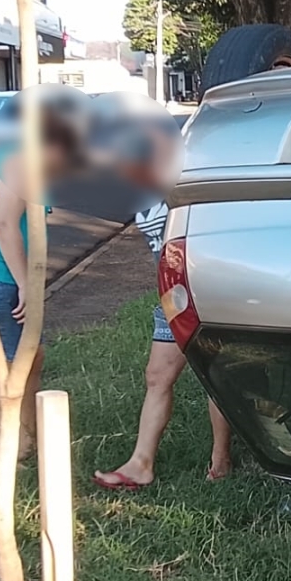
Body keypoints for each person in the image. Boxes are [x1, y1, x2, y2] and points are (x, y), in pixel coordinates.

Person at [0, 115, 77, 468]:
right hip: (2, 279)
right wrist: (24, 284)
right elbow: (2, 223)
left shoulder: (4, 158)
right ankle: (3, 458)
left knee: (30, 356)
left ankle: (26, 437)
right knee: (3, 369)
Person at [92, 201, 231, 489]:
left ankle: (221, 462)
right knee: (157, 376)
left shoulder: (186, 186)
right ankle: (140, 465)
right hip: (173, 300)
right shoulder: (142, 197)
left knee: (215, 377)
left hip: (207, 296)